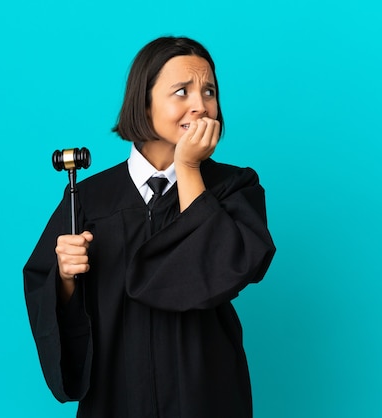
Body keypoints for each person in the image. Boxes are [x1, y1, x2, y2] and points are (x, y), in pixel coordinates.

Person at [24, 36, 276, 418]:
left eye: (209, 91)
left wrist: (189, 168)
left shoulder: (234, 186)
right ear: (144, 101)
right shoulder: (90, 198)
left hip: (206, 394)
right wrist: (66, 278)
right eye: (182, 91)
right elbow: (48, 293)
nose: (201, 105)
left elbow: (223, 267)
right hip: (118, 394)